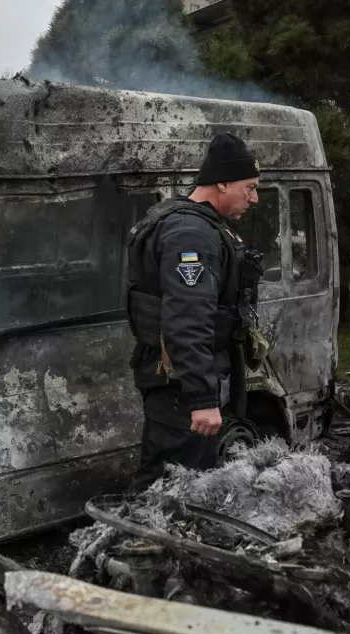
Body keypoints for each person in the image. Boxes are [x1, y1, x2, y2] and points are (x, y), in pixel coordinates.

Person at [124, 133, 264, 489]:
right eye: (249, 188)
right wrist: (201, 399)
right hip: (181, 386)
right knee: (170, 483)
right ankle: (141, 542)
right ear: (222, 182)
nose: (254, 198)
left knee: (189, 482)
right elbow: (187, 321)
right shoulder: (191, 235)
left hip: (184, 379)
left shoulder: (194, 224)